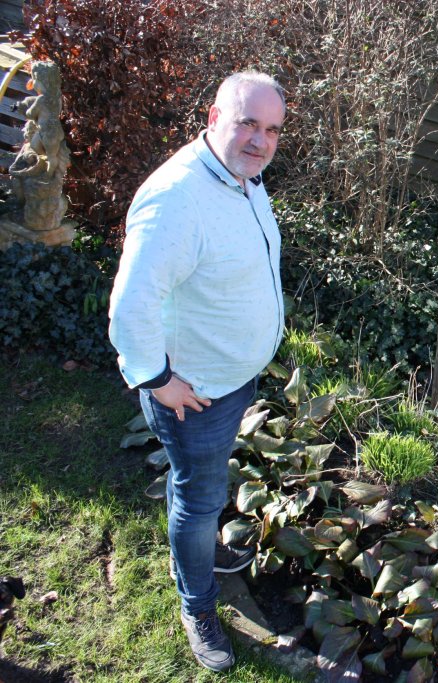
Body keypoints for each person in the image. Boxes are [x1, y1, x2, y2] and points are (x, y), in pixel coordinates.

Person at [108, 71, 287, 672]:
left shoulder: (242, 178)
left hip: (233, 379)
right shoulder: (177, 197)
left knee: (205, 491)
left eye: (271, 130)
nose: (260, 141)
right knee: (197, 497)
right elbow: (129, 306)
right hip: (196, 395)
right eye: (247, 123)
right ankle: (198, 604)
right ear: (213, 117)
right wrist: (157, 379)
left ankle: (200, 550)